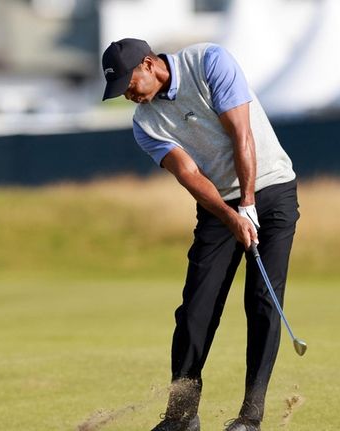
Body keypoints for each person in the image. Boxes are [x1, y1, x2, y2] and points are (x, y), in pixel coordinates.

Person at [101, 38, 299, 431]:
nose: (128, 94)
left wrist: (248, 204)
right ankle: (181, 415)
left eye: (129, 83)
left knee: (262, 301)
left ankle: (250, 417)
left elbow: (241, 133)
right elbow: (190, 175)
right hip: (218, 208)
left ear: (149, 64)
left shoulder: (210, 62)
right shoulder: (145, 124)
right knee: (196, 309)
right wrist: (232, 215)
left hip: (272, 189)